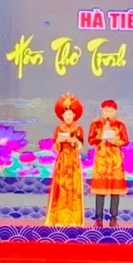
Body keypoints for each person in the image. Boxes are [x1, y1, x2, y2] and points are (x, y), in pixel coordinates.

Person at [44, 94, 85, 226]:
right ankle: (58, 219)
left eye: (70, 114)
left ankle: (74, 219)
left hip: (73, 160)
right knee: (61, 187)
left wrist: (74, 141)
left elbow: (80, 146)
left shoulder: (78, 129)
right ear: (62, 116)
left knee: (73, 188)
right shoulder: (58, 129)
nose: (68, 117)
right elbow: (55, 147)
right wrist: (58, 141)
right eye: (65, 114)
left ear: (74, 115)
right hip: (62, 160)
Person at [87, 99, 129, 227]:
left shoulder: (120, 124)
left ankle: (113, 218)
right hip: (101, 160)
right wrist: (101, 135)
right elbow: (91, 140)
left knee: (115, 191)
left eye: (111, 111)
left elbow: (125, 141)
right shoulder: (95, 123)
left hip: (115, 161)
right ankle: (98, 219)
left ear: (115, 111)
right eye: (106, 111)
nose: (108, 114)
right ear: (102, 110)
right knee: (100, 191)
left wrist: (114, 140)